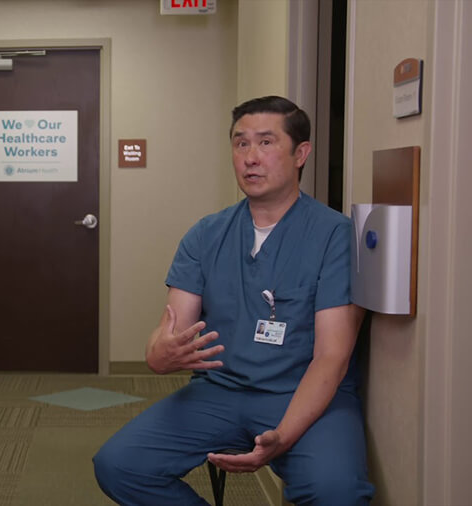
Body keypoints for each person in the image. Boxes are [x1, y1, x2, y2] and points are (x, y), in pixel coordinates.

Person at [93, 96, 375, 505]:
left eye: (265, 142)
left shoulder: (334, 236)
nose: (251, 158)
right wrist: (162, 354)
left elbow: (332, 356)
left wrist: (283, 437)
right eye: (241, 144)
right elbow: (164, 339)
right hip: (220, 391)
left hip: (303, 392)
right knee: (119, 465)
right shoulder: (206, 235)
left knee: (337, 491)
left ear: (301, 153)